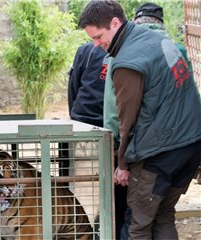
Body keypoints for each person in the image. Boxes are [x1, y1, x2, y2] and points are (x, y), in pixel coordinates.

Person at [79, 1, 201, 239]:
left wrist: (122, 164)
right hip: (190, 146)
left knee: (138, 225)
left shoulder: (126, 62)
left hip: (158, 155)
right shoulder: (159, 40)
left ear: (115, 23)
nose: (96, 45)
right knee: (163, 215)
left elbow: (126, 119)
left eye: (98, 37)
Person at [68, 42, 128, 239]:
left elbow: (73, 86)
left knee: (89, 190)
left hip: (87, 126)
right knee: (112, 188)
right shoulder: (125, 49)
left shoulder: (87, 50)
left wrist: (76, 118)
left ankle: (100, 229)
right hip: (108, 129)